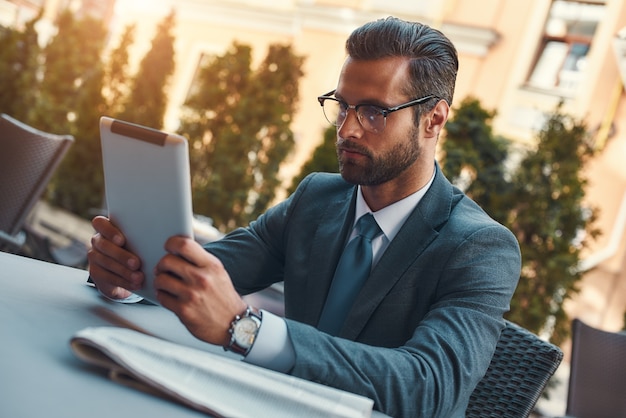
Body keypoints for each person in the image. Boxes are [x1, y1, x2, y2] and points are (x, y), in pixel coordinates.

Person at [88, 16, 521, 418]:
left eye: (373, 112)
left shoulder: (480, 248)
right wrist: (131, 271)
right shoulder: (318, 197)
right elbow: (212, 271)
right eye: (343, 105)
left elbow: (429, 387)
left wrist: (246, 329)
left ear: (433, 119)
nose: (348, 129)